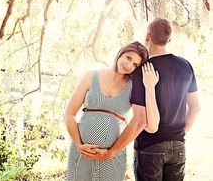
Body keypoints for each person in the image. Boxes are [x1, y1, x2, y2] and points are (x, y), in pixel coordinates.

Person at [84, 17, 200, 181]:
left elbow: (140, 120)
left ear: (147, 36)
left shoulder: (142, 70)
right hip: (179, 148)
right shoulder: (186, 65)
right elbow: (196, 108)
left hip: (150, 148)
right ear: (169, 39)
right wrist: (177, 136)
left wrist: (112, 151)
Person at [65, 41, 160, 181]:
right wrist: (79, 144)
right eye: (128, 58)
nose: (129, 65)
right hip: (81, 153)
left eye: (135, 65)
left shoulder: (134, 86)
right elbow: (69, 113)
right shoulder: (91, 76)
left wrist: (112, 152)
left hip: (112, 157)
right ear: (121, 52)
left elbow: (140, 121)